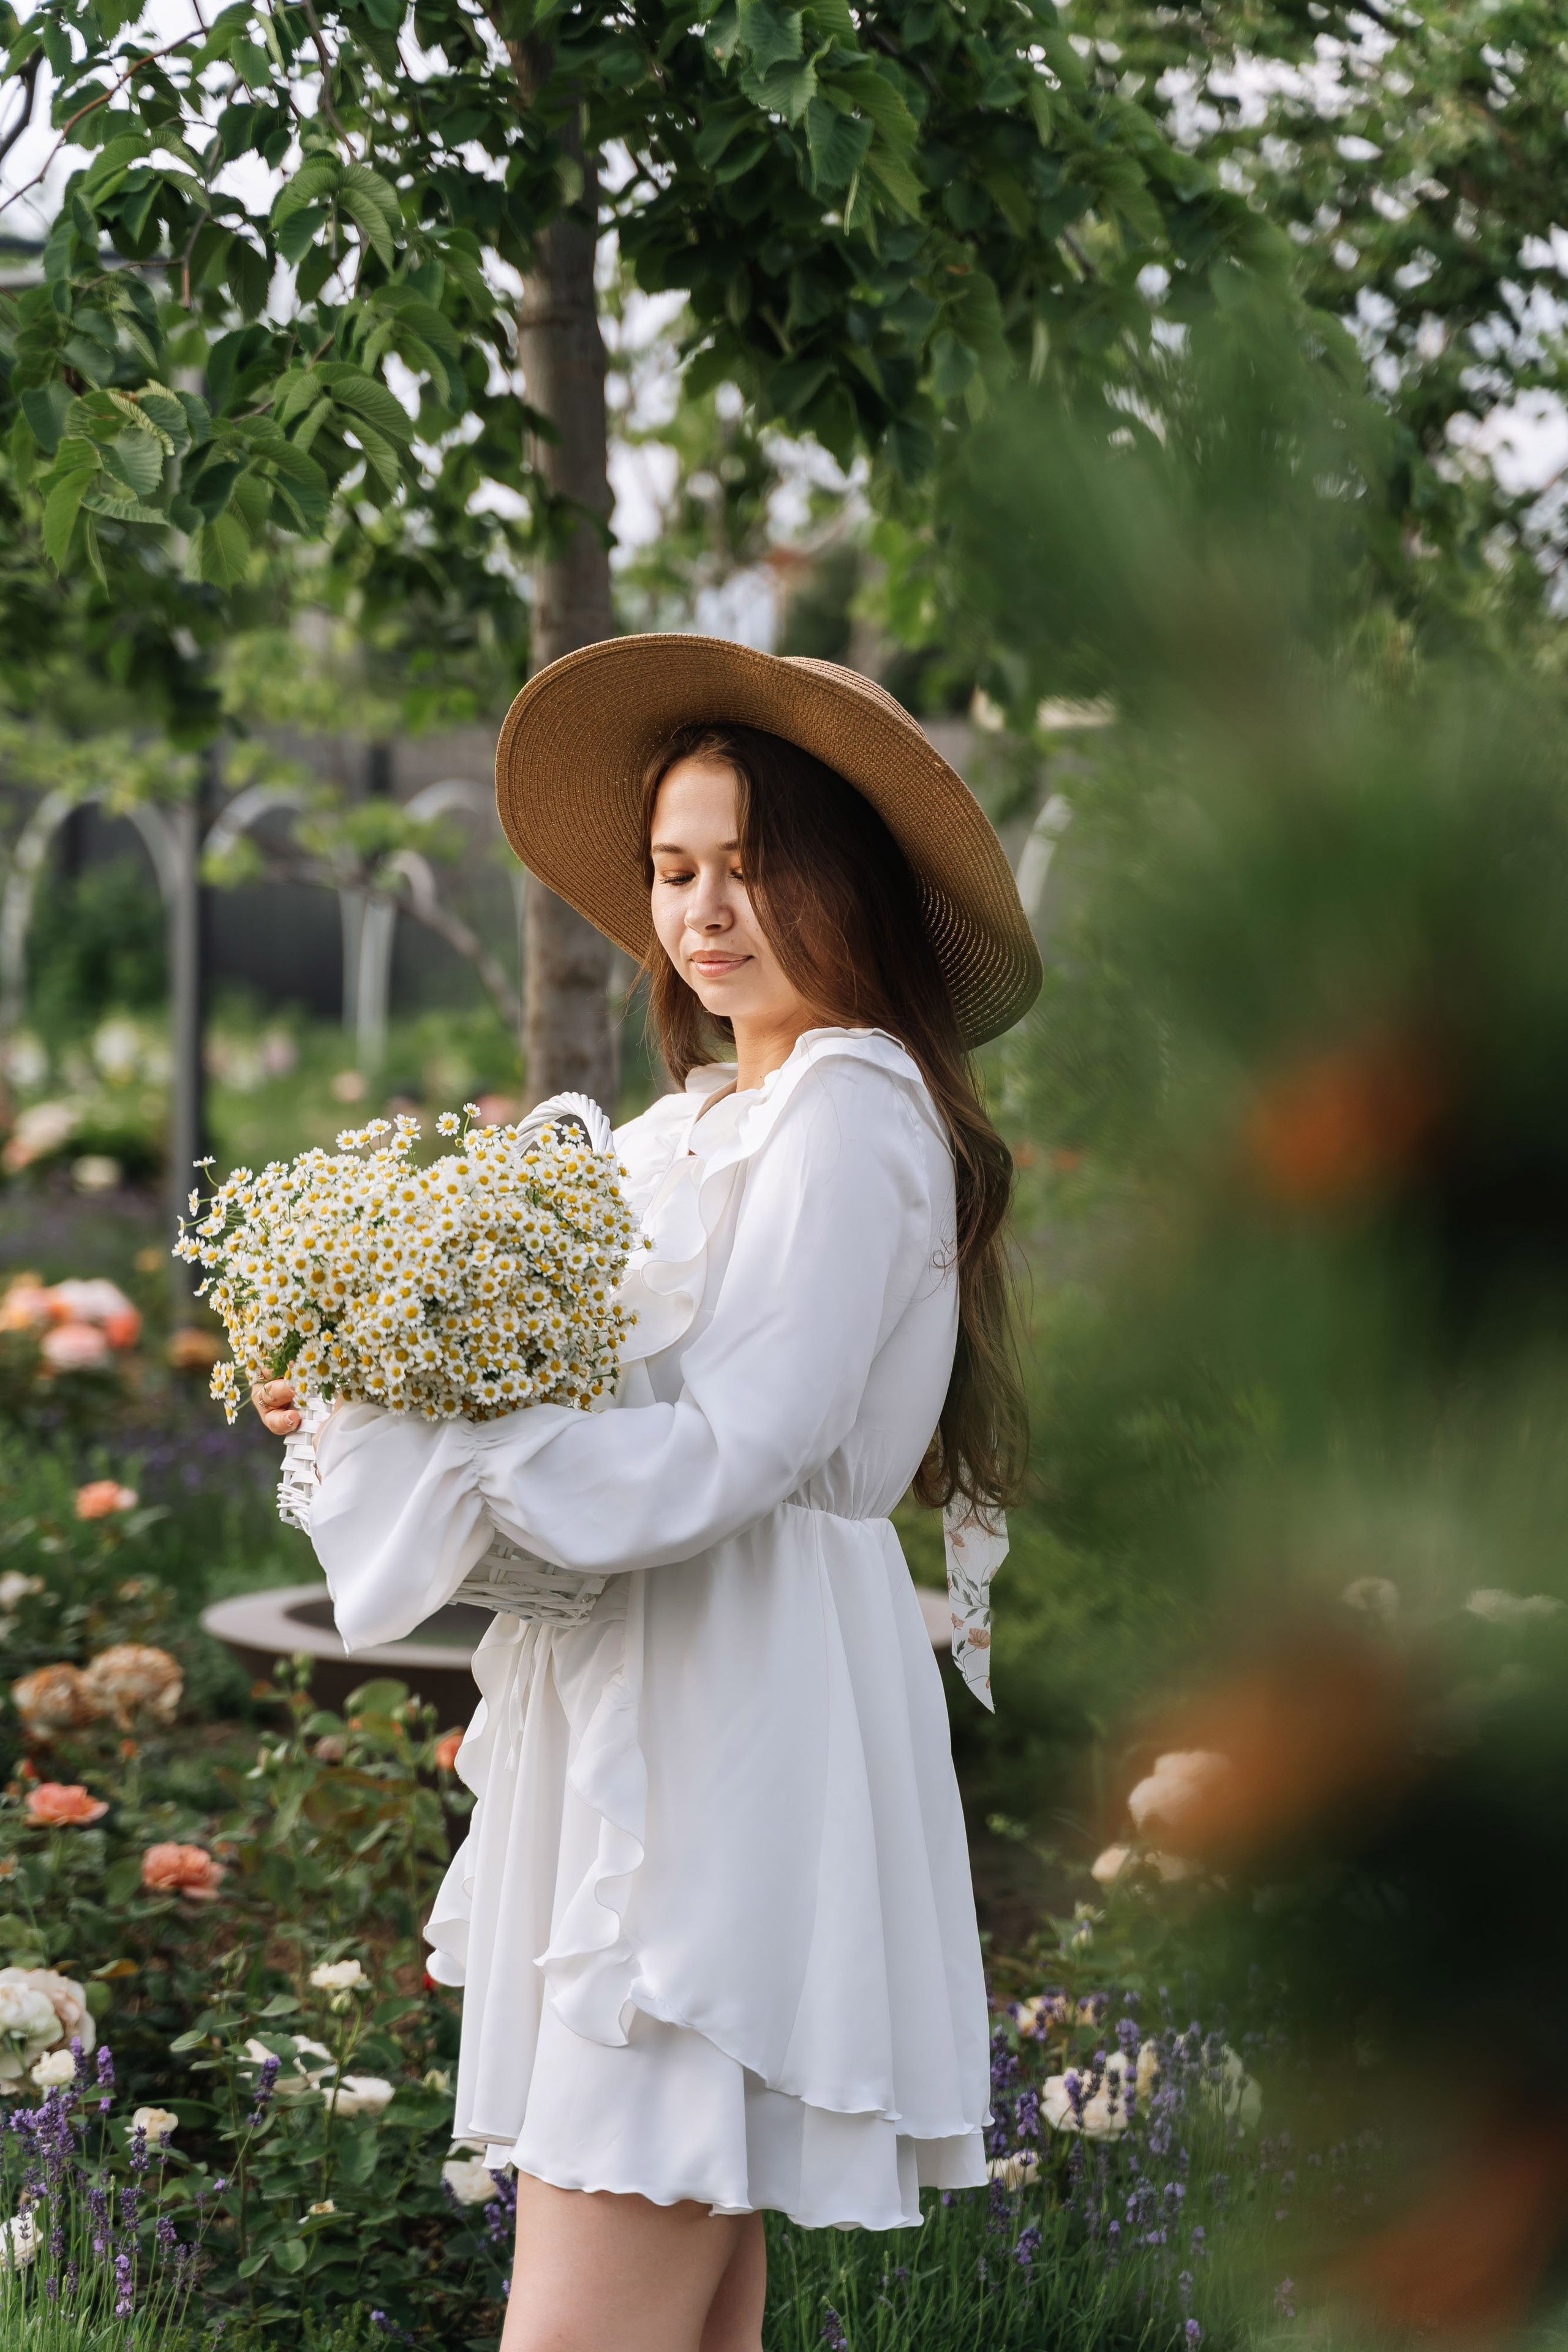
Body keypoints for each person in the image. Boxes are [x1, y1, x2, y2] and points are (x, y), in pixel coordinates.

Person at [251, 636, 1041, 2352]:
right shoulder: (693, 1125)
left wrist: (454, 1451)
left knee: (612, 2232)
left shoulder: (850, 1109)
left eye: (752, 867)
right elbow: (607, 1416)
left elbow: (732, 1449)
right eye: (675, 870)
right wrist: (374, 1378)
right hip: (666, 1671)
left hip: (733, 1701)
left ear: (846, 882)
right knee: (684, 2285)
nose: (705, 911)